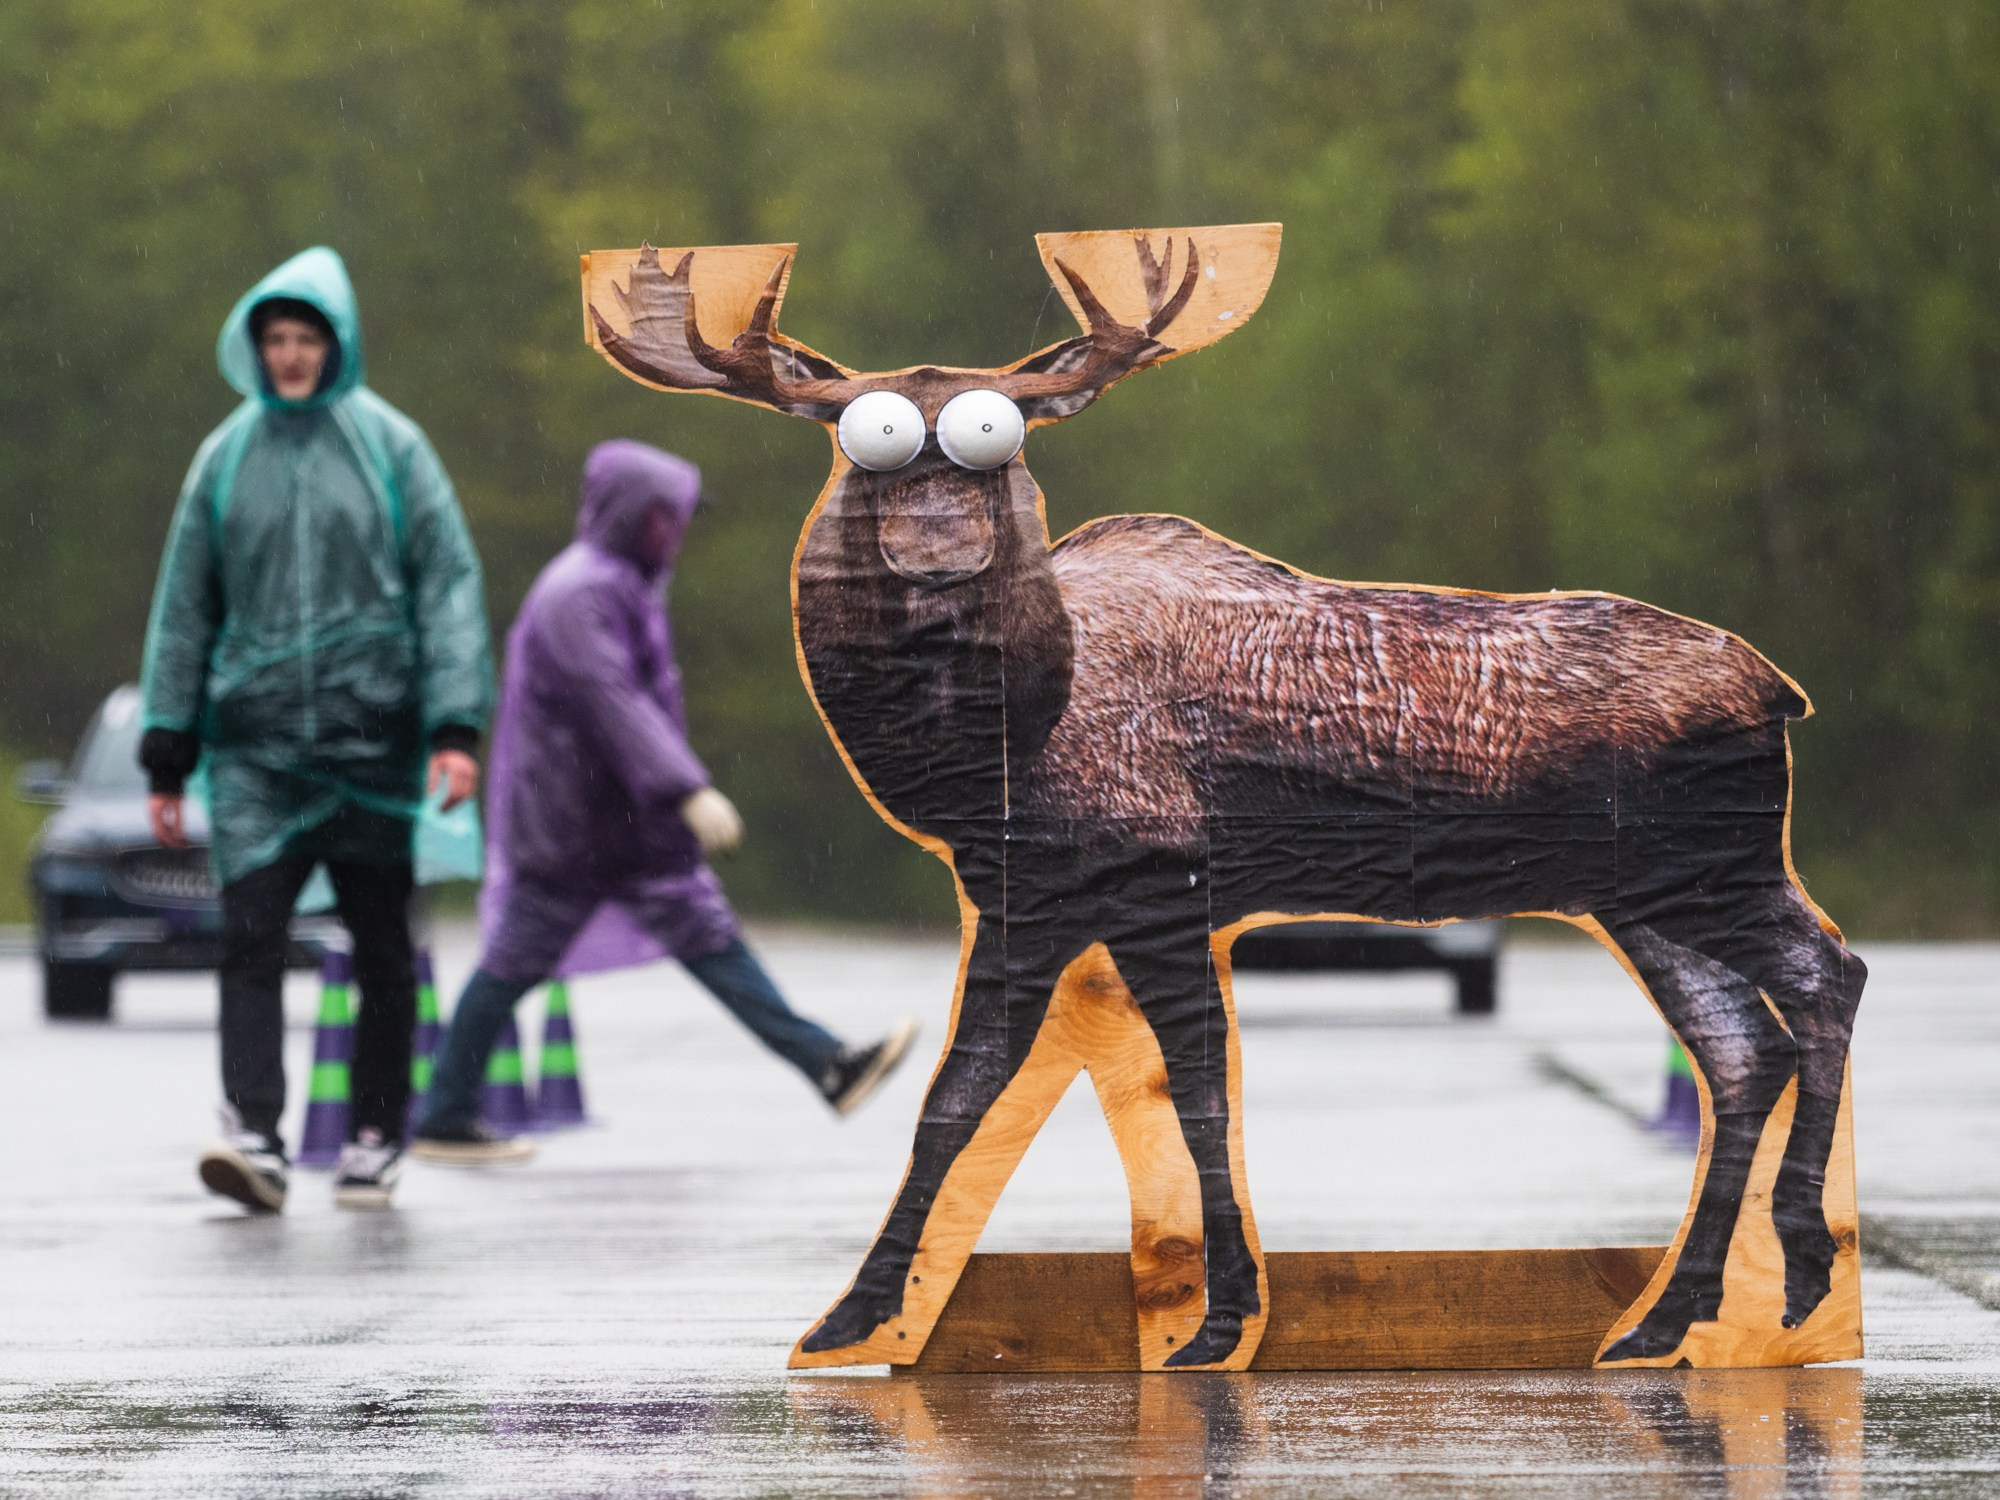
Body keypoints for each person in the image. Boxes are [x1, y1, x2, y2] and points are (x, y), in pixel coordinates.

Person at [412, 440, 915, 1164]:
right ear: (631, 515)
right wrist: (687, 789)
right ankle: (444, 1115)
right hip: (574, 825)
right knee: (513, 963)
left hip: (619, 824)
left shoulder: (618, 584)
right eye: (663, 516)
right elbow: (612, 702)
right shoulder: (580, 593)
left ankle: (826, 1063)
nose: (673, 532)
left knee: (706, 938)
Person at [139, 246, 493, 1213]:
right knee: (249, 938)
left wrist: (455, 730)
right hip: (256, 753)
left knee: (382, 945)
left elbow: (448, 588)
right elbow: (185, 609)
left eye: (306, 338)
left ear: (336, 345)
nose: (290, 356)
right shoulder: (224, 458)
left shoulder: (392, 449)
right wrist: (168, 751)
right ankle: (255, 1134)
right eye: (276, 340)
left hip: (373, 746)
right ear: (254, 350)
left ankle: (377, 1134)